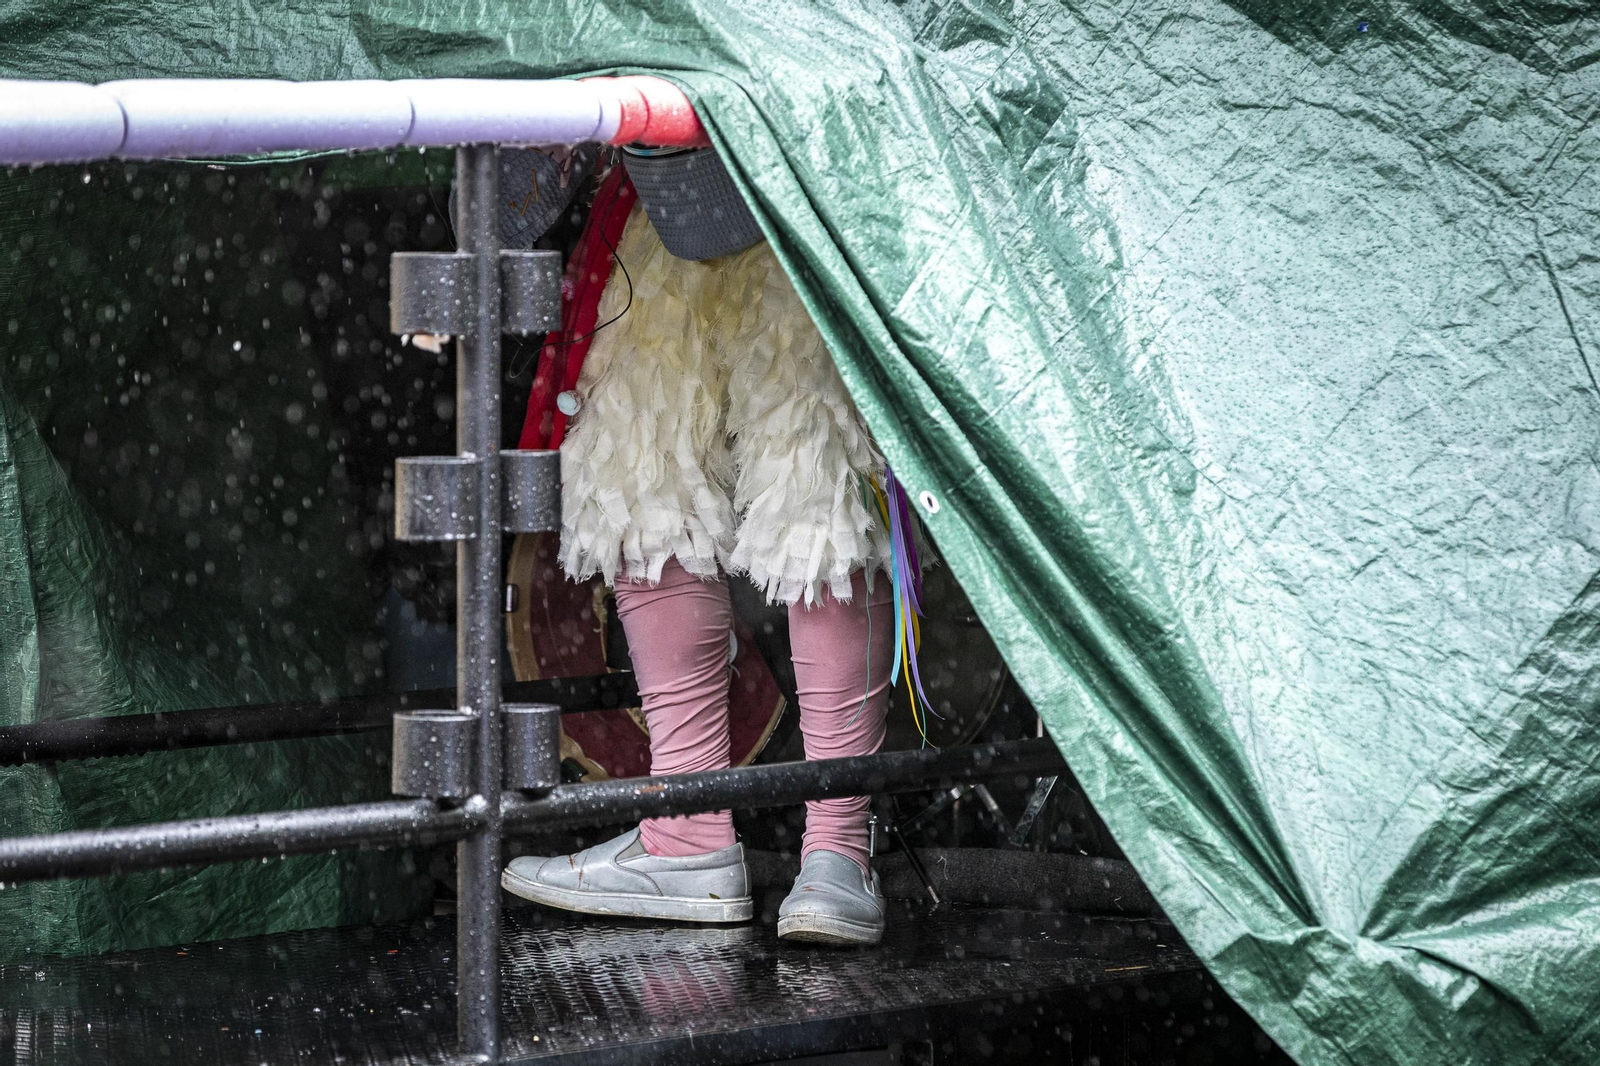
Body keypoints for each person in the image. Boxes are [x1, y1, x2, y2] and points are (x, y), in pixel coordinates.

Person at [500, 145, 897, 945]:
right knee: (644, 476)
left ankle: (838, 850)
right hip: (670, 200)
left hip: (817, 182)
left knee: (816, 485)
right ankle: (688, 830)